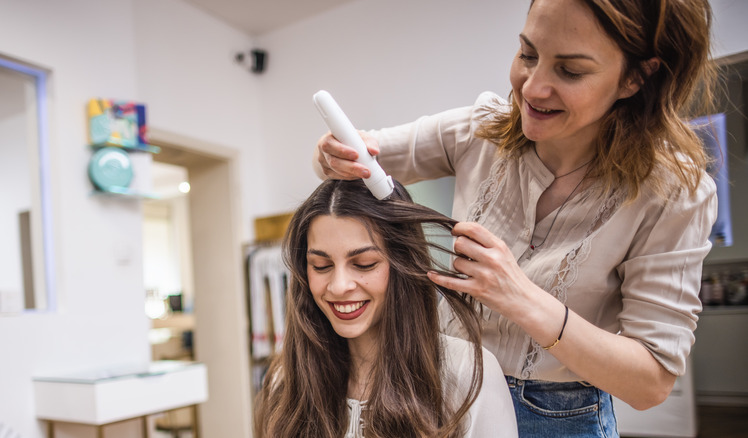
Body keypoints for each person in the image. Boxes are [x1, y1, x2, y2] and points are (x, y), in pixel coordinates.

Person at [313, 0, 718, 436]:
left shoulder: (674, 193)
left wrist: (522, 298)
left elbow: (651, 382)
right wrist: (333, 155)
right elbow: (352, 156)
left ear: (639, 76)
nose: (533, 87)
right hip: (446, 392)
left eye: (571, 71)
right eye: (527, 54)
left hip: (556, 418)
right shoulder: (478, 131)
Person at [253, 178, 518, 437]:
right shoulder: (284, 379)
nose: (339, 286)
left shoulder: (466, 371)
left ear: (401, 264)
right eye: (321, 266)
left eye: (365, 263)